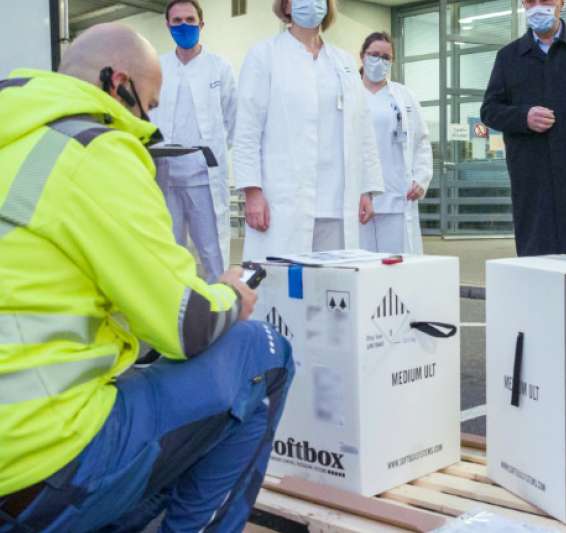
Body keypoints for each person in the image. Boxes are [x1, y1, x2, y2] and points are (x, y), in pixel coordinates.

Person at [0, 24, 293, 531]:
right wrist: (228, 292)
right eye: (149, 106)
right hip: (38, 460)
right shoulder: (93, 152)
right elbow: (188, 325)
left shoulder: (17, 141)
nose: (147, 123)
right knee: (262, 352)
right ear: (117, 84)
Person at [233, 0, 384, 260]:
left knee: (335, 279)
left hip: (337, 201)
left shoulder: (344, 62)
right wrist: (252, 192)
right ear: (286, 6)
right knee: (283, 276)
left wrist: (366, 189)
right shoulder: (264, 55)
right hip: (284, 198)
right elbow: (247, 128)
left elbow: (363, 128)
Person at [480, 0, 566, 256]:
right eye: (530, 1)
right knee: (536, 252)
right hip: (532, 174)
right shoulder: (509, 56)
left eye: (545, 0)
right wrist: (523, 117)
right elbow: (489, 110)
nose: (538, 7)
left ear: (561, 3)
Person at [151, 0, 237, 281]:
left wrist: (216, 155)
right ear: (167, 25)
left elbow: (233, 120)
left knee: (214, 255)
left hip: (204, 178)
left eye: (190, 20)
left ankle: (222, 305)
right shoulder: (156, 67)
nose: (184, 26)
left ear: (201, 24)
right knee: (168, 255)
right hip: (165, 178)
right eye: (177, 21)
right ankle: (173, 307)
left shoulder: (219, 68)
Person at [358, 32, 433, 254]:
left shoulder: (404, 96)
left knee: (397, 264)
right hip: (358, 195)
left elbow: (421, 141)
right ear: (362, 56)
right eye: (374, 54)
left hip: (397, 195)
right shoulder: (349, 93)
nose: (379, 61)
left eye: (386, 57)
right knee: (359, 264)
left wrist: (421, 178)